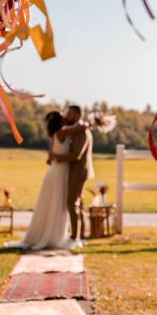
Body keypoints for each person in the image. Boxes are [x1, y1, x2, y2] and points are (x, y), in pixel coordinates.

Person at [6, 112, 87, 250]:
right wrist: (88, 124)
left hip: (56, 171)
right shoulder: (62, 133)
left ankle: (51, 234)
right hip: (59, 173)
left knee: (52, 204)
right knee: (56, 203)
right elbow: (79, 129)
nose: (66, 119)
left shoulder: (55, 135)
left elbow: (51, 157)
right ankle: (53, 236)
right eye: (64, 118)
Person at [51, 105, 94, 249]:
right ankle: (80, 234)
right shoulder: (77, 129)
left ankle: (75, 236)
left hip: (78, 170)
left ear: (76, 115)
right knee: (78, 203)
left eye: (69, 114)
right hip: (76, 170)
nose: (66, 116)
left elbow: (77, 155)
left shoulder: (82, 132)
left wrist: (57, 157)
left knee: (71, 202)